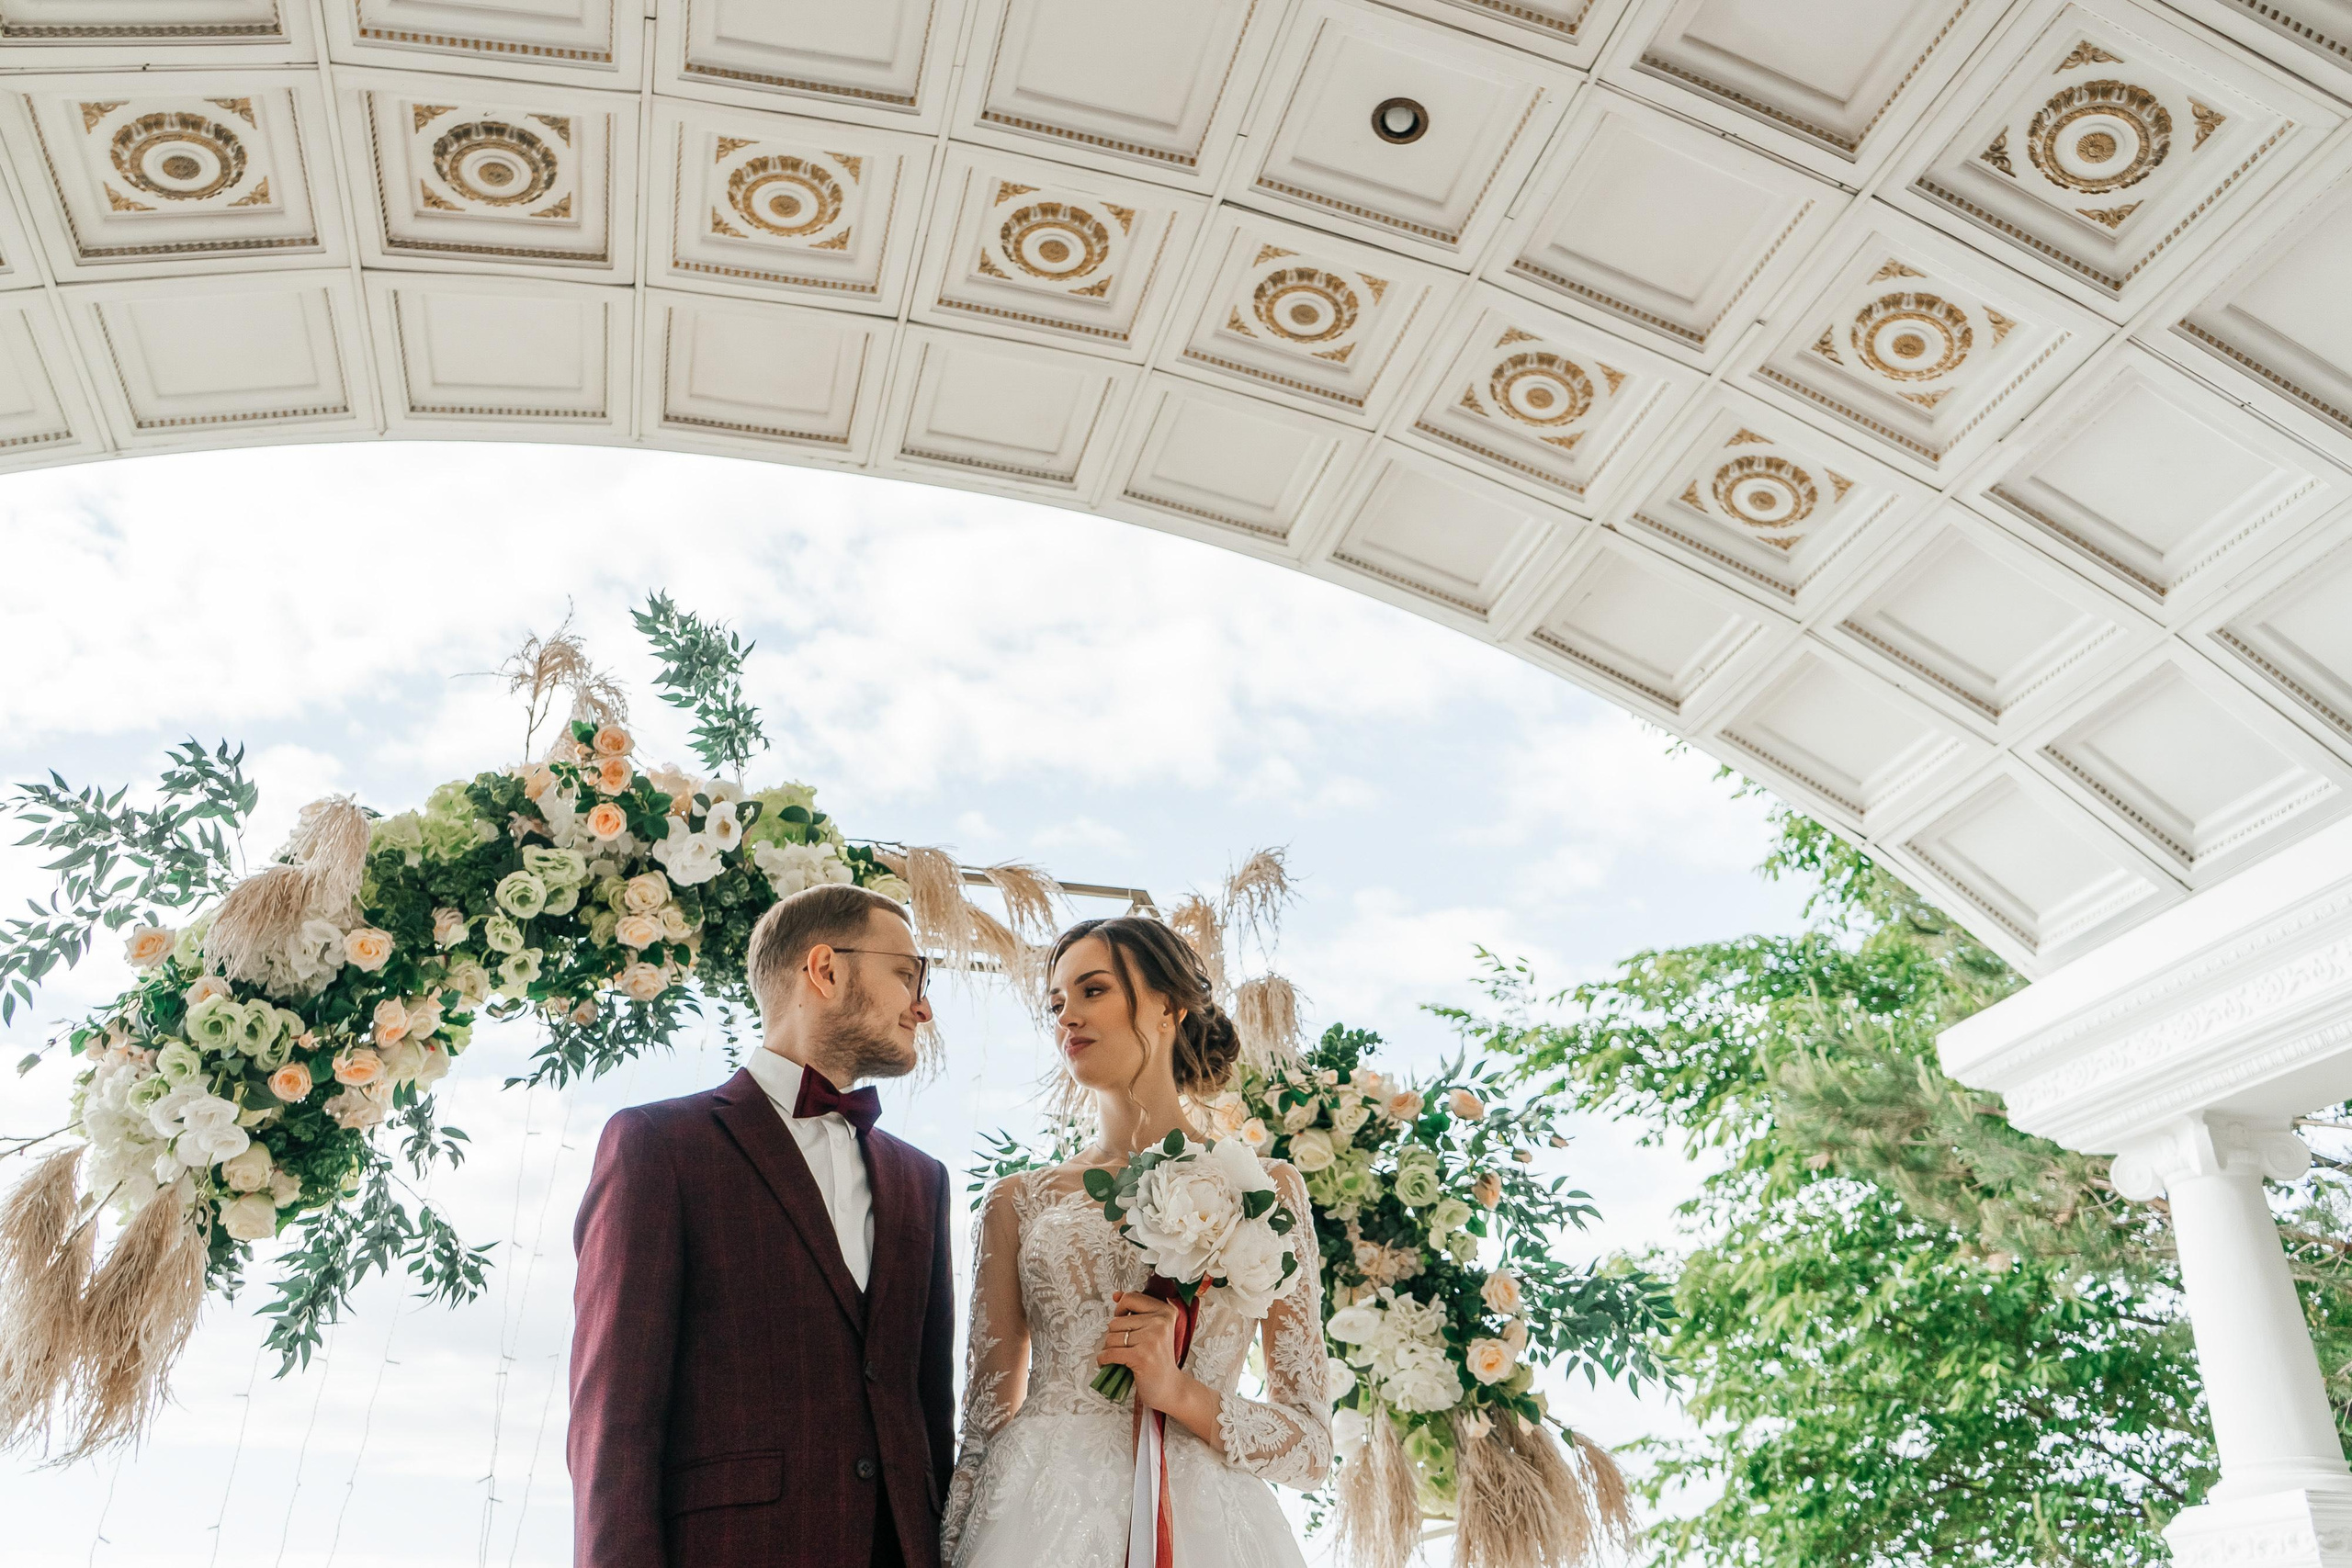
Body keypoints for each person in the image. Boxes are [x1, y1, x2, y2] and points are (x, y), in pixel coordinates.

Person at [568, 883, 956, 1568]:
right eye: (906, 974)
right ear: (825, 969)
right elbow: (612, 1422)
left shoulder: (922, 1180)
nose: (922, 1006)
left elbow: (930, 1417)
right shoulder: (659, 1145)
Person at [943, 916, 1331, 1567]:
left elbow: (1313, 1448)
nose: (1068, 1015)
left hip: (1209, 1526)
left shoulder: (1268, 1188)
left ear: (1168, 1006)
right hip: (1034, 1525)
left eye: (1093, 990)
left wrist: (1180, 1393)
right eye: (1056, 1002)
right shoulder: (1017, 1201)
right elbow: (980, 1432)